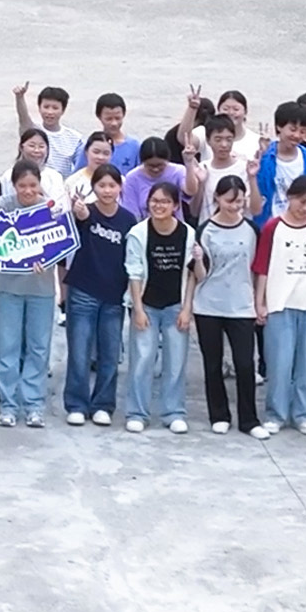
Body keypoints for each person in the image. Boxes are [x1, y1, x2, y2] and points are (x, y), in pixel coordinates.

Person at [0, 163, 62, 429]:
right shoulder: (5, 204)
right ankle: (8, 405)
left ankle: (34, 405)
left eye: (33, 185)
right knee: (8, 346)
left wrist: (47, 259)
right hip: (8, 287)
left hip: (41, 289)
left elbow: (60, 244)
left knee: (38, 348)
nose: (28, 191)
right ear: (14, 186)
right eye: (22, 186)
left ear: (40, 184)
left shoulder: (50, 209)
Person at [255, 177, 306, 435]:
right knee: (280, 362)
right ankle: (275, 414)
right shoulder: (273, 227)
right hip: (280, 302)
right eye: (301, 201)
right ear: (290, 196)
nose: (305, 208)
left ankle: (302, 413)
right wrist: (260, 303)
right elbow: (262, 267)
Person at [186, 175, 258, 436]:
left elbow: (256, 268)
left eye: (239, 201)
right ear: (217, 198)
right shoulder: (205, 229)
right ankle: (219, 415)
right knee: (213, 363)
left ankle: (249, 420)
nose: (234, 206)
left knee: (245, 364)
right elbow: (199, 275)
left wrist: (259, 301)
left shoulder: (251, 229)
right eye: (229, 201)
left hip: (241, 305)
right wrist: (197, 260)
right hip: (209, 306)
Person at [59, 165, 129, 429]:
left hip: (114, 296)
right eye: (102, 185)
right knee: (79, 351)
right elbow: (66, 234)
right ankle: (76, 404)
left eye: (112, 185)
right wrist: (78, 214)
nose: (107, 190)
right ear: (94, 188)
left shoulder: (128, 220)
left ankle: (103, 405)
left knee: (109, 354)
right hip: (83, 291)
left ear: (120, 187)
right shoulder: (84, 212)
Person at [118, 181, 190, 433]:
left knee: (176, 362)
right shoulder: (138, 233)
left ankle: (174, 412)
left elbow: (192, 274)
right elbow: (134, 272)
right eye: (155, 201)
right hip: (146, 304)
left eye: (165, 201)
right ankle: (137, 412)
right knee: (142, 360)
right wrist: (137, 309)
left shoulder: (188, 234)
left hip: (176, 305)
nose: (159, 206)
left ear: (175, 205)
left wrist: (187, 308)